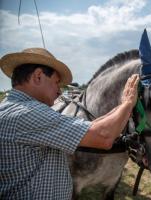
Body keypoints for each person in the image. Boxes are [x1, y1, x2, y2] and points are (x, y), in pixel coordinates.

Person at [0, 48, 139, 199]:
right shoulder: (27, 113)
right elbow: (104, 137)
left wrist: (119, 108)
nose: (59, 91)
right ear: (38, 76)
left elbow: (89, 128)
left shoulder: (14, 108)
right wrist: (127, 103)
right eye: (56, 82)